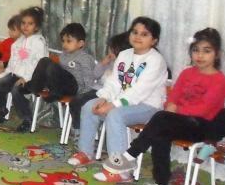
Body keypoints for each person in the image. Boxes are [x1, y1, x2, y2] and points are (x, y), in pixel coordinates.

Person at [95, 28, 225, 185]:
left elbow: (203, 109)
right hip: (179, 120)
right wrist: (171, 106)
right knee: (160, 131)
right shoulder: (187, 73)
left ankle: (129, 156)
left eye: (206, 51)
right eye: (196, 50)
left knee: (161, 119)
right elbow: (174, 95)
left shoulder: (220, 80)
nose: (200, 55)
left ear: (217, 54)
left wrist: (175, 110)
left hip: (202, 126)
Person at [68, 17, 168, 171]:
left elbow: (139, 92)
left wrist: (113, 105)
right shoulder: (124, 54)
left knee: (115, 115)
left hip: (148, 106)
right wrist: (103, 97)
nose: (138, 37)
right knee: (88, 106)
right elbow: (114, 82)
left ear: (154, 40)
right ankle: (85, 152)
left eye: (144, 34)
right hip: (122, 102)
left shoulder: (156, 60)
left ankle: (120, 166)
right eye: (135, 32)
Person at [22, 23, 96, 130]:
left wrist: (81, 96)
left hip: (74, 87)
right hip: (61, 86)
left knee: (52, 66)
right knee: (44, 60)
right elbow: (56, 75)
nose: (64, 44)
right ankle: (34, 86)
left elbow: (89, 80)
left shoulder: (85, 58)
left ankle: (52, 92)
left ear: (80, 43)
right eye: (63, 41)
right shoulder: (63, 56)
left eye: (69, 41)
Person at [0, 6, 48, 129]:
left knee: (16, 90)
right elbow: (13, 61)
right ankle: (3, 108)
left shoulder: (38, 42)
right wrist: (6, 73)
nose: (25, 26)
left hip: (34, 78)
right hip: (16, 74)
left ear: (36, 27)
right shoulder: (18, 42)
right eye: (23, 23)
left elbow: (40, 65)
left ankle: (27, 118)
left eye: (30, 24)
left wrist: (26, 78)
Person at [68, 32, 132, 133]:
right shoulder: (108, 63)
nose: (109, 52)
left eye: (112, 50)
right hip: (95, 90)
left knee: (80, 103)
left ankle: (81, 130)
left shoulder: (125, 66)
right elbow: (94, 75)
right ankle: (77, 128)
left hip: (106, 95)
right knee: (75, 101)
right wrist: (102, 64)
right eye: (110, 49)